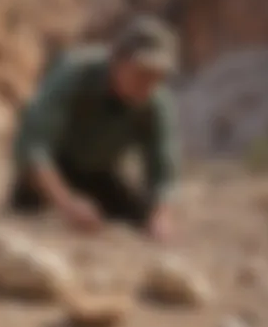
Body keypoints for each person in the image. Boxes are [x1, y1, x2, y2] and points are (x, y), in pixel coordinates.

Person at [9, 16, 181, 241]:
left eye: (158, 76)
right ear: (117, 60)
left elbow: (162, 171)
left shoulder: (156, 103)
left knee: (141, 218)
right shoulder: (75, 72)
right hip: (55, 169)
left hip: (100, 174)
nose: (149, 83)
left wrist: (161, 217)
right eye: (142, 72)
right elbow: (33, 145)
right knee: (28, 212)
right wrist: (66, 203)